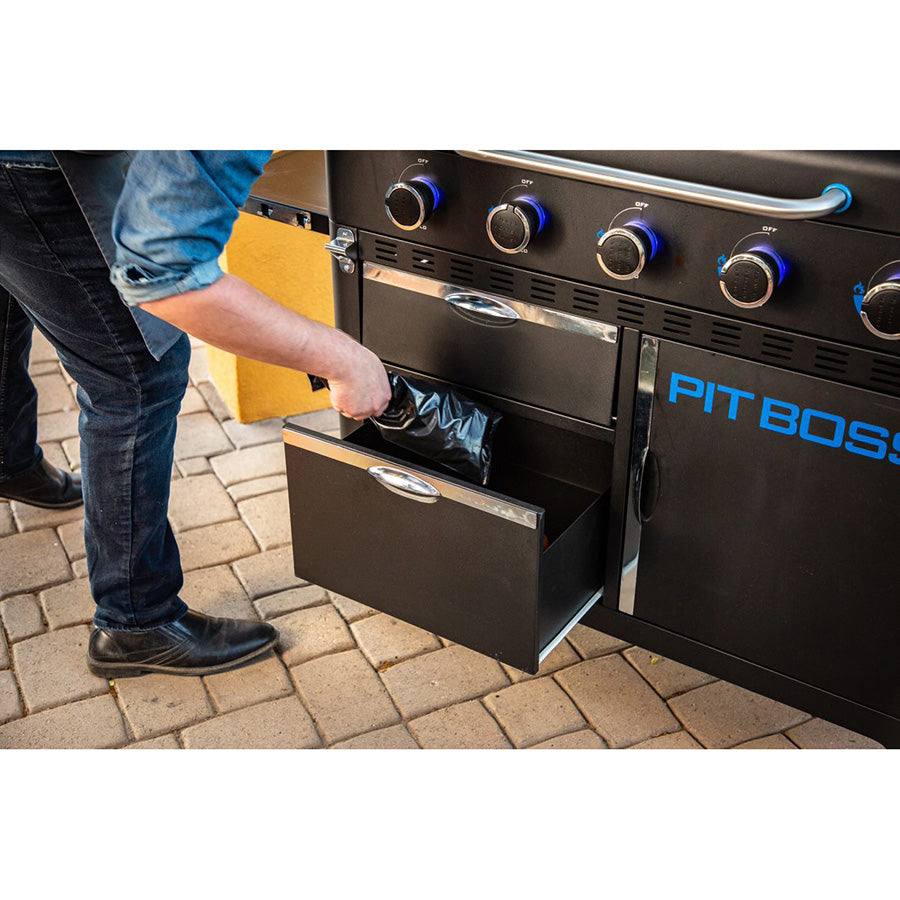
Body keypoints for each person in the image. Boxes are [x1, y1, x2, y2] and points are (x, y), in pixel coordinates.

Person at [0, 150, 391, 678]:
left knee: (12, 287)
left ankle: (8, 461)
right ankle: (136, 622)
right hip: (28, 171)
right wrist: (345, 361)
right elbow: (161, 271)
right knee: (136, 377)